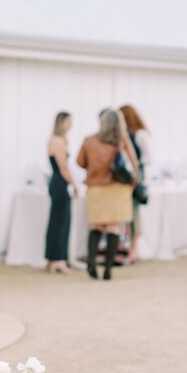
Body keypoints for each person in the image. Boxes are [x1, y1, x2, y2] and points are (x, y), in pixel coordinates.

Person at [76, 109, 138, 280]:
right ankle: (108, 269)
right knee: (113, 228)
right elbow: (134, 163)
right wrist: (134, 182)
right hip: (117, 189)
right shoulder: (122, 140)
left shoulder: (89, 141)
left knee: (96, 226)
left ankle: (91, 263)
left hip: (95, 188)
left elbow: (80, 162)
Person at [45, 112, 79, 274]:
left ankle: (54, 259)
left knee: (57, 221)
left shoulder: (54, 139)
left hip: (57, 183)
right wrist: (75, 184)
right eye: (68, 122)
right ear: (61, 123)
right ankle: (57, 259)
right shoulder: (57, 141)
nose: (70, 125)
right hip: (60, 183)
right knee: (61, 222)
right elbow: (63, 168)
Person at [119, 104, 150, 263]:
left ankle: (133, 249)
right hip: (128, 177)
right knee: (128, 213)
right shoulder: (126, 135)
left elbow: (147, 158)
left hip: (136, 177)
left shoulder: (140, 135)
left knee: (134, 213)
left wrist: (137, 176)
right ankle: (129, 248)